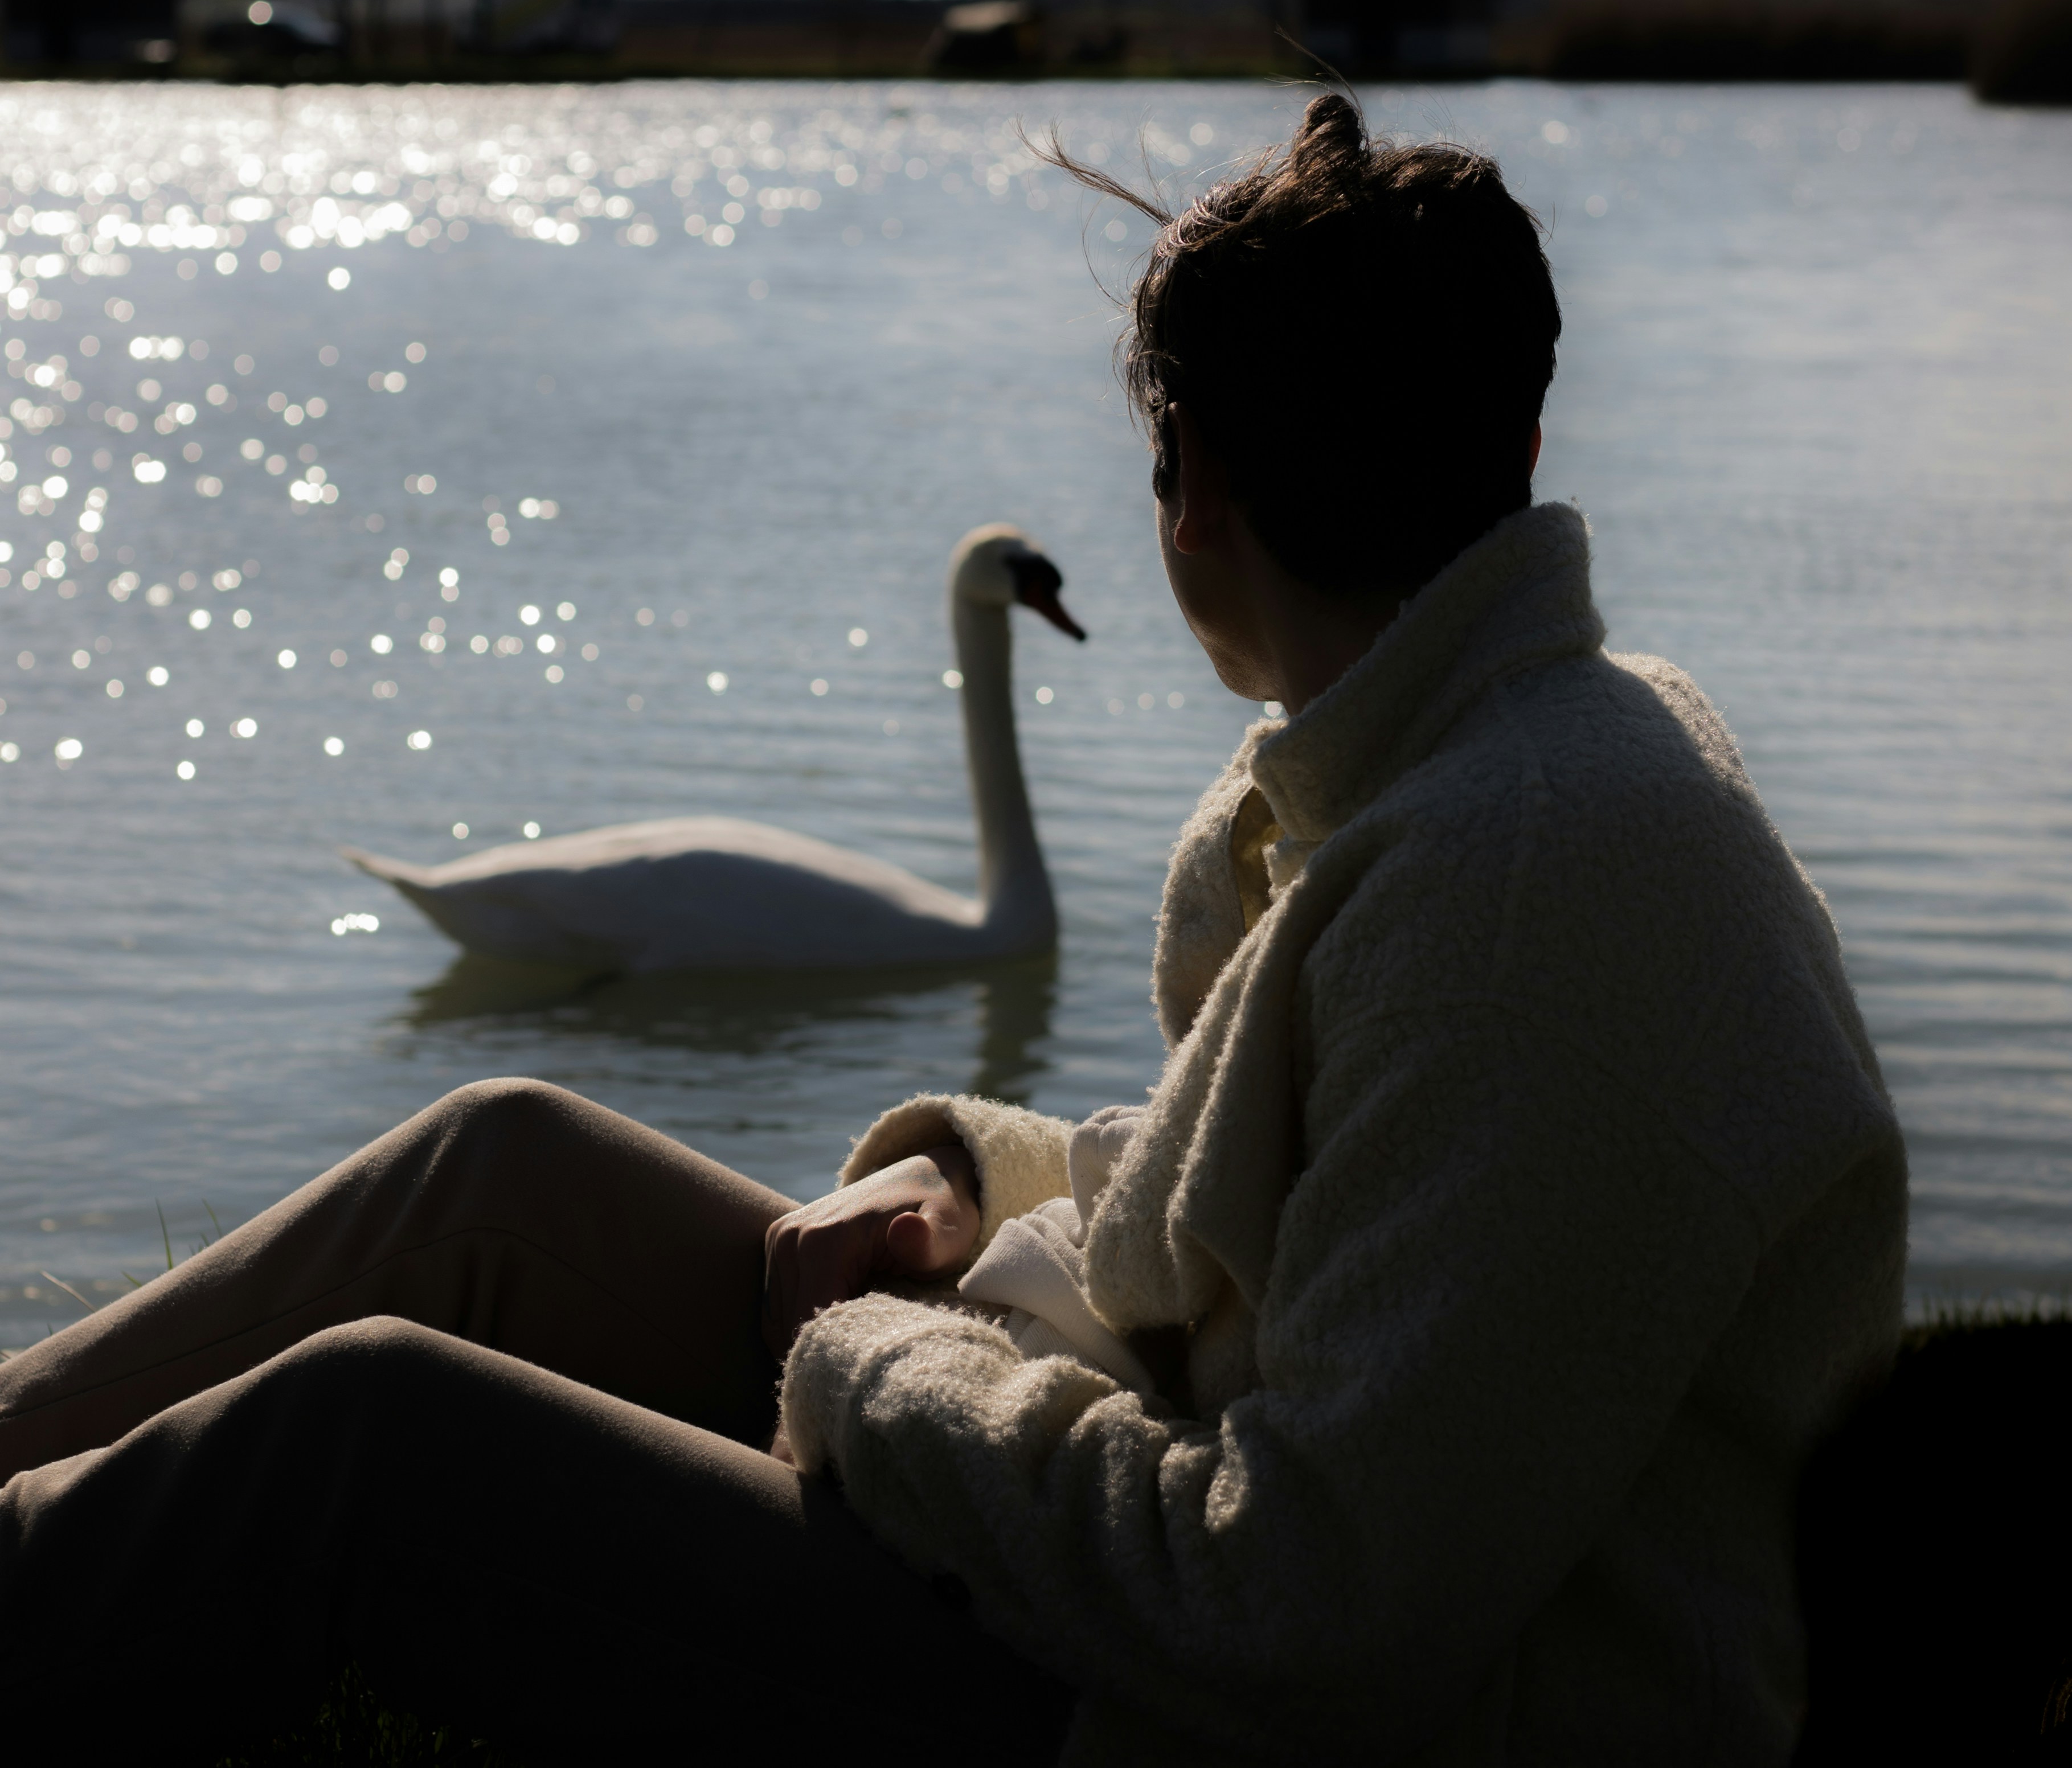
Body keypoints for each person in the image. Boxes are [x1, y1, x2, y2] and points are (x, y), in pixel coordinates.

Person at [0, 95, 1906, 1767]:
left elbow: (1309, 1623)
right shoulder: (1491, 760)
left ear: (1200, 497)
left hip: (1214, 1726)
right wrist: (963, 1188)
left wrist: (883, 1368)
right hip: (1156, 1533)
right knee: (501, 1162)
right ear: (1514, 431)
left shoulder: (1527, 894)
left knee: (372, 1446)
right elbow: (1276, 1228)